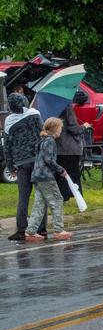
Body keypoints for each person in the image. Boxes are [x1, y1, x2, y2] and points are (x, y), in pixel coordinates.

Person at [4, 93, 45, 241]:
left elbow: (7, 147)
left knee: (23, 197)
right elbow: (43, 134)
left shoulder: (8, 121)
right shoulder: (34, 114)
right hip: (38, 161)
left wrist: (10, 165)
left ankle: (21, 229)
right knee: (41, 195)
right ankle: (41, 228)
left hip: (21, 163)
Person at [25, 117, 72, 242]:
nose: (61, 130)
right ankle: (59, 230)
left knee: (40, 204)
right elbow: (48, 159)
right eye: (60, 128)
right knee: (57, 200)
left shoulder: (42, 140)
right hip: (46, 177)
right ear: (56, 128)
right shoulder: (50, 141)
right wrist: (60, 170)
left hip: (37, 176)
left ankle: (31, 231)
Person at [54, 105, 89, 201]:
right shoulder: (66, 107)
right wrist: (84, 127)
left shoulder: (51, 108)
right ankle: (76, 196)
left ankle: (63, 196)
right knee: (73, 174)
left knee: (61, 174)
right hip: (70, 147)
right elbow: (73, 128)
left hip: (57, 147)